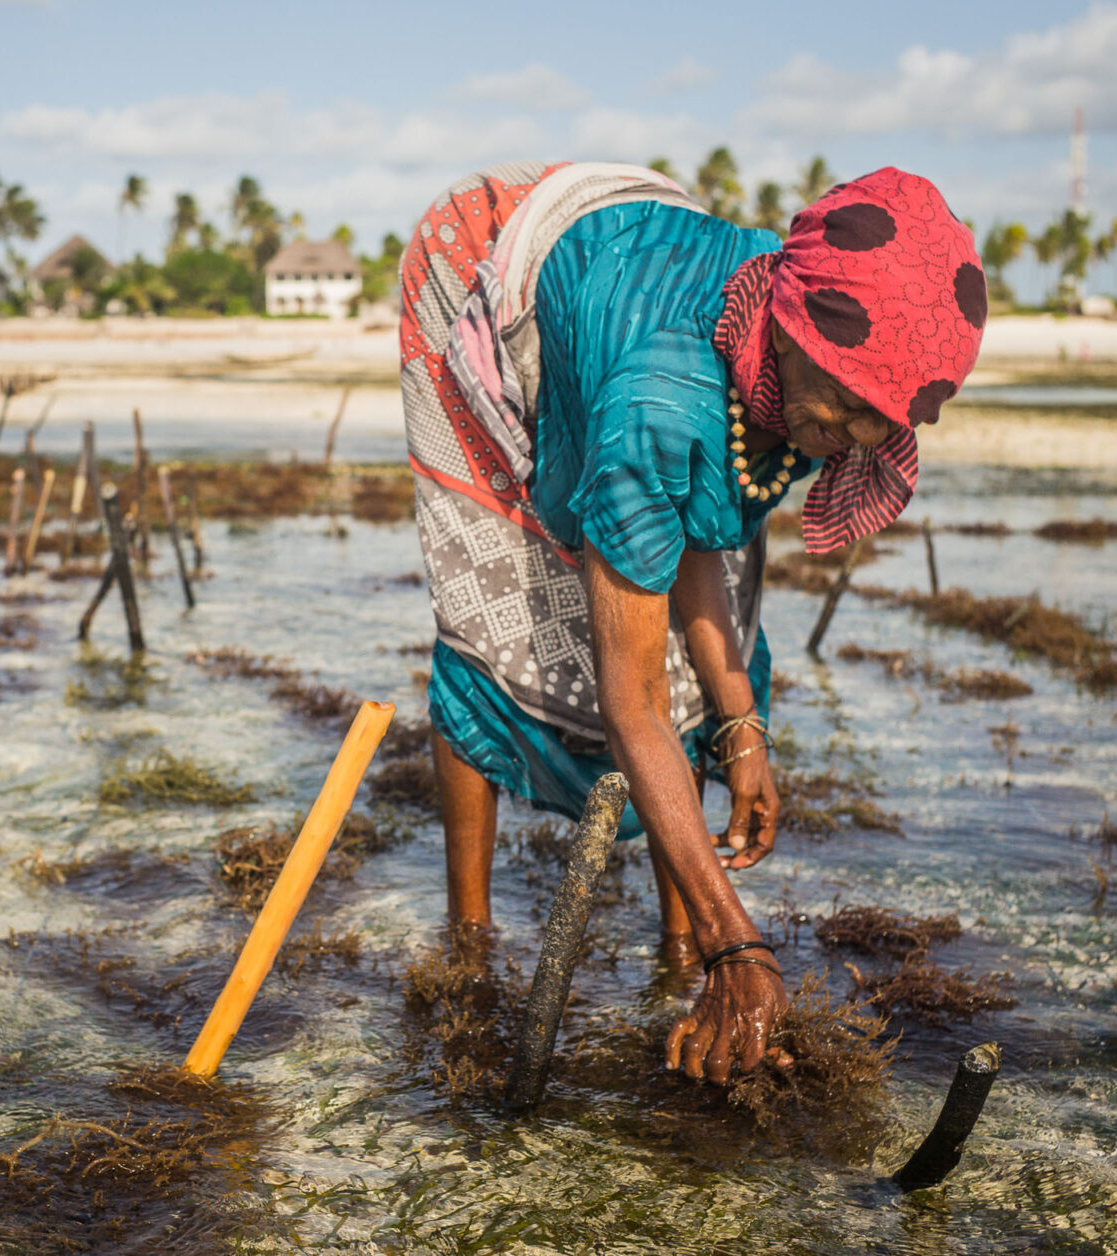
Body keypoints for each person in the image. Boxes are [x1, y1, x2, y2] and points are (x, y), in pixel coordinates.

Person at [399, 162, 986, 1084]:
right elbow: (626, 698)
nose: (860, 441)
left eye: (883, 424)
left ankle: (674, 951)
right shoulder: (656, 405)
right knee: (498, 634)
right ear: (784, 334)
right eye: (844, 412)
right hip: (483, 270)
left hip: (634, 247)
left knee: (702, 658)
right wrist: (738, 950)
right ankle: (470, 943)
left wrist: (740, 721)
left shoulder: (799, 321)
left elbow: (702, 524)